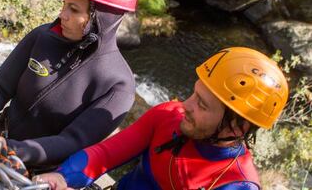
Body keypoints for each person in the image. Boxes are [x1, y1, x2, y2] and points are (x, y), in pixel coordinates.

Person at [0, 0, 140, 171]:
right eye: (64, 4)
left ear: (101, 18)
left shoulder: (118, 86)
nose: (62, 15)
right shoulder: (43, 37)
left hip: (37, 173)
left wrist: (9, 149)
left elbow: (73, 141)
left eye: (74, 9)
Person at [34, 47, 289, 190]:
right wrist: (63, 177)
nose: (185, 105)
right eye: (194, 93)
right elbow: (105, 153)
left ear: (237, 126)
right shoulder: (169, 116)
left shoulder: (236, 185)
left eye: (201, 104)